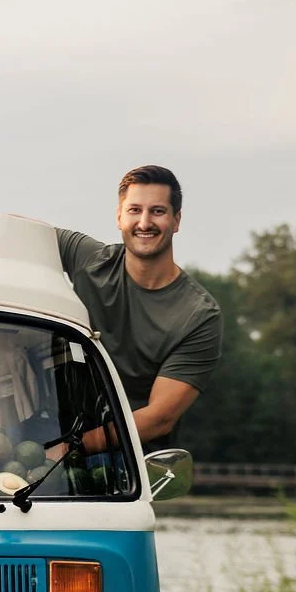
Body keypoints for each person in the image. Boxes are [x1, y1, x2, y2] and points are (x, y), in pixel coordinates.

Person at [56, 165, 222, 450]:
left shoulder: (199, 315)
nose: (144, 222)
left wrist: (67, 449)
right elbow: (17, 232)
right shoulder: (88, 260)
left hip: (132, 470)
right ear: (119, 217)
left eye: (157, 211)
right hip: (50, 436)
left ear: (176, 220)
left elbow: (159, 419)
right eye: (134, 210)